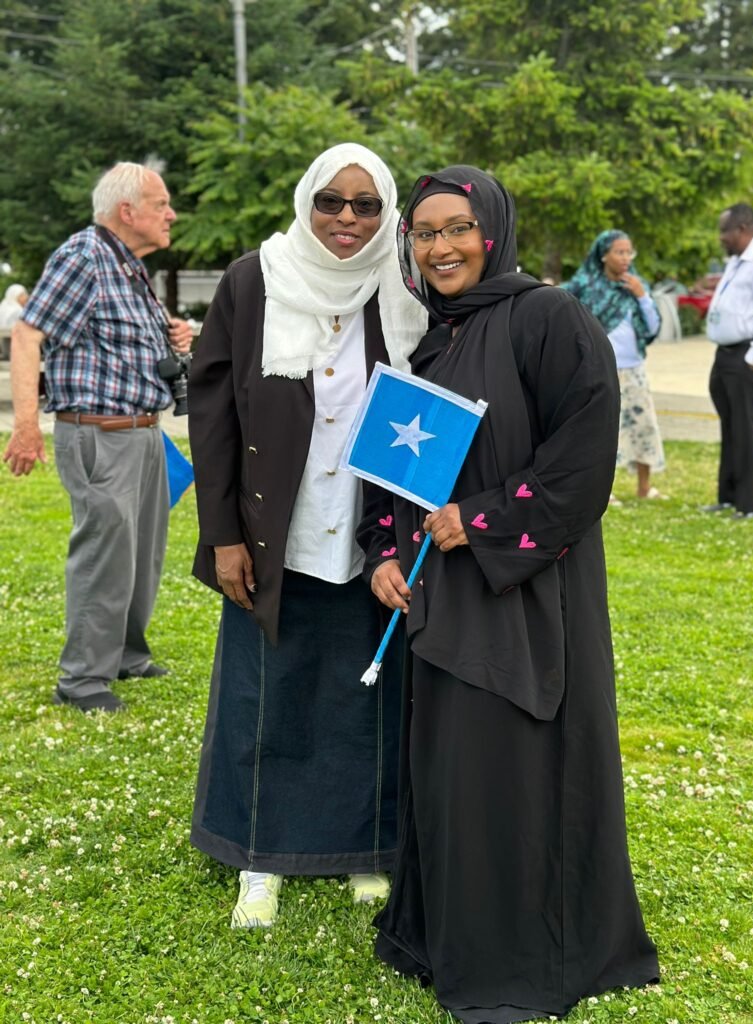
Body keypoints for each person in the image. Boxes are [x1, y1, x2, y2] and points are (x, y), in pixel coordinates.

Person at [358, 166, 659, 1023]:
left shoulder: (549, 318)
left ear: (492, 231)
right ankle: (441, 934)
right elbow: (400, 479)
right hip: (440, 597)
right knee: (449, 769)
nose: (440, 246)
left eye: (456, 228)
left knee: (513, 769)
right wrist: (387, 548)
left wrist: (483, 521)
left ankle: (521, 956)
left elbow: (581, 459)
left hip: (526, 596)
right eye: (423, 233)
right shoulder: (432, 341)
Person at [187, 143, 426, 930]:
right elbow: (214, 414)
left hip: (368, 529)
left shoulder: (401, 287)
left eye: (367, 205)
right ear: (305, 202)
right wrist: (224, 534)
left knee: (368, 694)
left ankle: (366, 848)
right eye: (331, 201)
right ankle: (260, 854)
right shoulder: (254, 280)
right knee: (270, 689)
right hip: (270, 527)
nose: (348, 220)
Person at [2, 162, 193, 712]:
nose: (170, 213)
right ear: (127, 211)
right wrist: (25, 426)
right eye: (161, 204)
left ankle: (127, 655)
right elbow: (27, 334)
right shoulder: (84, 255)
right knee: (104, 554)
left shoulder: (127, 266)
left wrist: (172, 333)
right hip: (100, 434)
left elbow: (123, 344)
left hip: (143, 433)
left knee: (141, 554)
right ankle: (83, 679)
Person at [562, 230, 666, 500]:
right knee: (603, 431)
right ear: (604, 254)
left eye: (629, 252)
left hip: (634, 371)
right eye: (619, 252)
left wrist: (642, 296)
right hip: (599, 371)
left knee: (643, 427)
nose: (625, 258)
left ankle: (645, 488)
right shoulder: (586, 286)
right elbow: (566, 317)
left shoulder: (634, 286)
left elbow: (653, 327)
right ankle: (602, 491)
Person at [703, 203, 753, 519]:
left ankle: (750, 504)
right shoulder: (736, 260)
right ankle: (727, 497)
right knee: (730, 426)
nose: (721, 238)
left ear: (742, 229)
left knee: (747, 428)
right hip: (726, 353)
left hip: (748, 356)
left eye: (724, 231)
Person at [0, 283, 29, 358]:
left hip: (5, 350)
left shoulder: (3, 307)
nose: (27, 297)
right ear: (15, 297)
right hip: (16, 351)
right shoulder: (18, 310)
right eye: (23, 295)